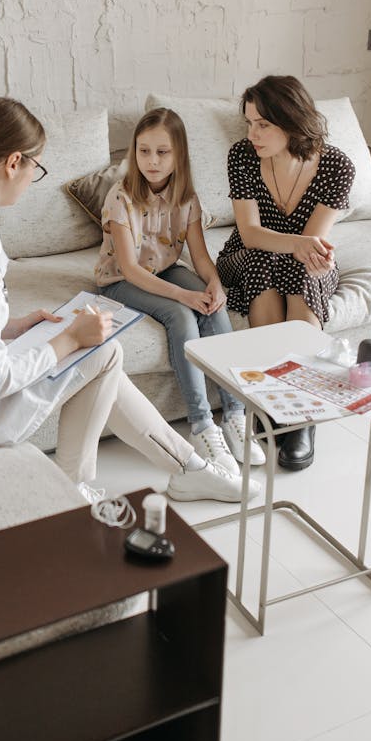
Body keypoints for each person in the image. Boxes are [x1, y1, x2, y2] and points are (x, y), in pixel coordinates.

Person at [0, 97, 260, 506]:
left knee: (99, 351)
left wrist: (16, 327)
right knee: (103, 351)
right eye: (35, 167)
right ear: (13, 163)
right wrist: (69, 340)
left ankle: (190, 469)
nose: (32, 178)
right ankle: (77, 486)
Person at [95, 107, 266, 473]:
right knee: (181, 315)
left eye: (162, 152)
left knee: (213, 308)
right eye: (144, 151)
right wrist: (185, 296)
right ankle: (202, 424)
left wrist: (213, 284)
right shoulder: (120, 198)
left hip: (168, 267)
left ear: (179, 155)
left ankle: (234, 414)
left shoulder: (186, 197)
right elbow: (129, 269)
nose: (152, 161)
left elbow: (201, 258)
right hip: (121, 281)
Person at [216, 75, 355, 471]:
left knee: (304, 269)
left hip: (306, 258)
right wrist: (300, 246)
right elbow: (250, 234)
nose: (252, 134)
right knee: (264, 256)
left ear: (292, 122)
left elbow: (313, 243)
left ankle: (302, 411)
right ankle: (274, 398)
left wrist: (310, 253)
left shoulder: (335, 165)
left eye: (263, 124)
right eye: (249, 123)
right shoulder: (242, 156)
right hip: (244, 255)